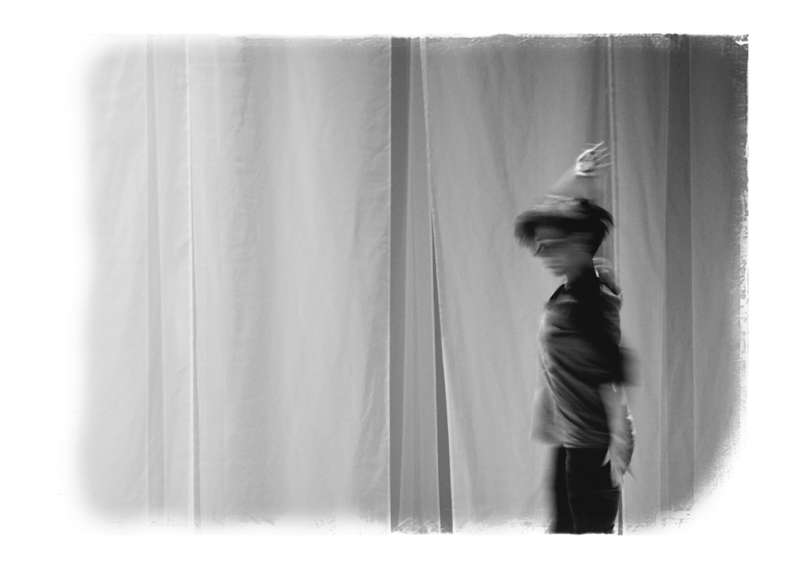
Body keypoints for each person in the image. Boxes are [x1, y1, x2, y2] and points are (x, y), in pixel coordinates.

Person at [514, 143, 634, 534]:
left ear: (579, 243)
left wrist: (622, 437)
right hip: (569, 439)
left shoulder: (591, 300)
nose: (541, 253)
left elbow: (612, 372)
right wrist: (579, 178)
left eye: (551, 246)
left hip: (590, 448)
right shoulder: (577, 286)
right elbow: (567, 218)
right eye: (540, 246)